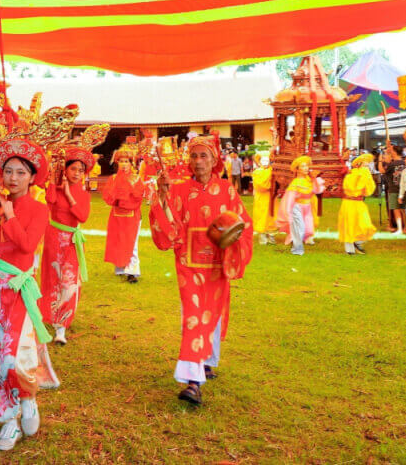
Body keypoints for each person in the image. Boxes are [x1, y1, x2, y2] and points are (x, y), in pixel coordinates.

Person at [148, 135, 253, 405]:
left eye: (204, 156)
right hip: (188, 263)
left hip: (217, 264)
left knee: (212, 316)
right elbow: (168, 220)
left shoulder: (227, 190)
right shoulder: (180, 189)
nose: (198, 161)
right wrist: (161, 194)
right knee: (194, 317)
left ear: (214, 160)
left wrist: (232, 238)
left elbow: (244, 224)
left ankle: (207, 361)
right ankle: (193, 382)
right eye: (194, 156)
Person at [0, 139, 53, 451]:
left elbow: (27, 246)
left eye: (20, 172)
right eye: (8, 172)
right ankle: (9, 421)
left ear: (32, 177)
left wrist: (10, 214)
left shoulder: (39, 209)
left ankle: (27, 396)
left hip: (19, 289)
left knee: (16, 354)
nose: (13, 178)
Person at [39, 147, 93, 346]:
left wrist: (69, 194)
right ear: (66, 170)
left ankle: (62, 325)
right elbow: (49, 201)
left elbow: (83, 216)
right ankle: (52, 316)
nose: (77, 173)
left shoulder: (84, 194)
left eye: (81, 170)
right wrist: (55, 180)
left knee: (68, 282)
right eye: (73, 169)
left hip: (71, 241)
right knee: (53, 279)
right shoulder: (55, 187)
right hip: (53, 237)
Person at [102, 146, 143, 282]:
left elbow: (137, 198)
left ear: (131, 163)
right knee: (117, 241)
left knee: (132, 243)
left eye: (127, 161)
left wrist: (121, 201)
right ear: (117, 163)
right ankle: (120, 268)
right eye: (121, 161)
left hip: (132, 216)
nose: (124, 164)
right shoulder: (113, 179)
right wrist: (116, 199)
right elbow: (107, 196)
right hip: (116, 215)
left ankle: (132, 271)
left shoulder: (136, 179)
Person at [276, 156, 325, 255]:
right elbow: (289, 199)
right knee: (300, 227)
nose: (306, 168)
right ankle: (297, 250)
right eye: (303, 166)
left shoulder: (309, 180)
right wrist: (288, 213)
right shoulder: (296, 183)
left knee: (308, 227)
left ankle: (297, 243)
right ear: (297, 169)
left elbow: (317, 190)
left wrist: (315, 178)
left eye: (307, 166)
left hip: (307, 207)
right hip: (297, 207)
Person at [337, 153, 377, 255]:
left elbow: (369, 191)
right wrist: (363, 176)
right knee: (349, 225)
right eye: (364, 165)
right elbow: (353, 189)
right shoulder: (351, 175)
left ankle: (357, 242)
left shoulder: (365, 175)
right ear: (358, 165)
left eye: (367, 166)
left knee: (365, 225)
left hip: (359, 203)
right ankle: (349, 249)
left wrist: (366, 177)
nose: (366, 168)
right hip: (349, 202)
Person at [251, 153, 277, 245]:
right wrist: (270, 184)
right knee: (262, 215)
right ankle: (262, 237)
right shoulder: (257, 172)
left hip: (271, 197)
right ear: (259, 162)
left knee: (271, 215)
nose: (265, 162)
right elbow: (260, 186)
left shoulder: (273, 170)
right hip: (262, 197)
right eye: (263, 160)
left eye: (267, 160)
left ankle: (271, 236)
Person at [378, 149, 405, 233]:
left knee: (395, 209)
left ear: (395, 152)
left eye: (392, 151)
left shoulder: (392, 164)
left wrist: (379, 160)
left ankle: (400, 228)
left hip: (393, 188)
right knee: (403, 209)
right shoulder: (405, 163)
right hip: (404, 189)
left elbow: (382, 171)